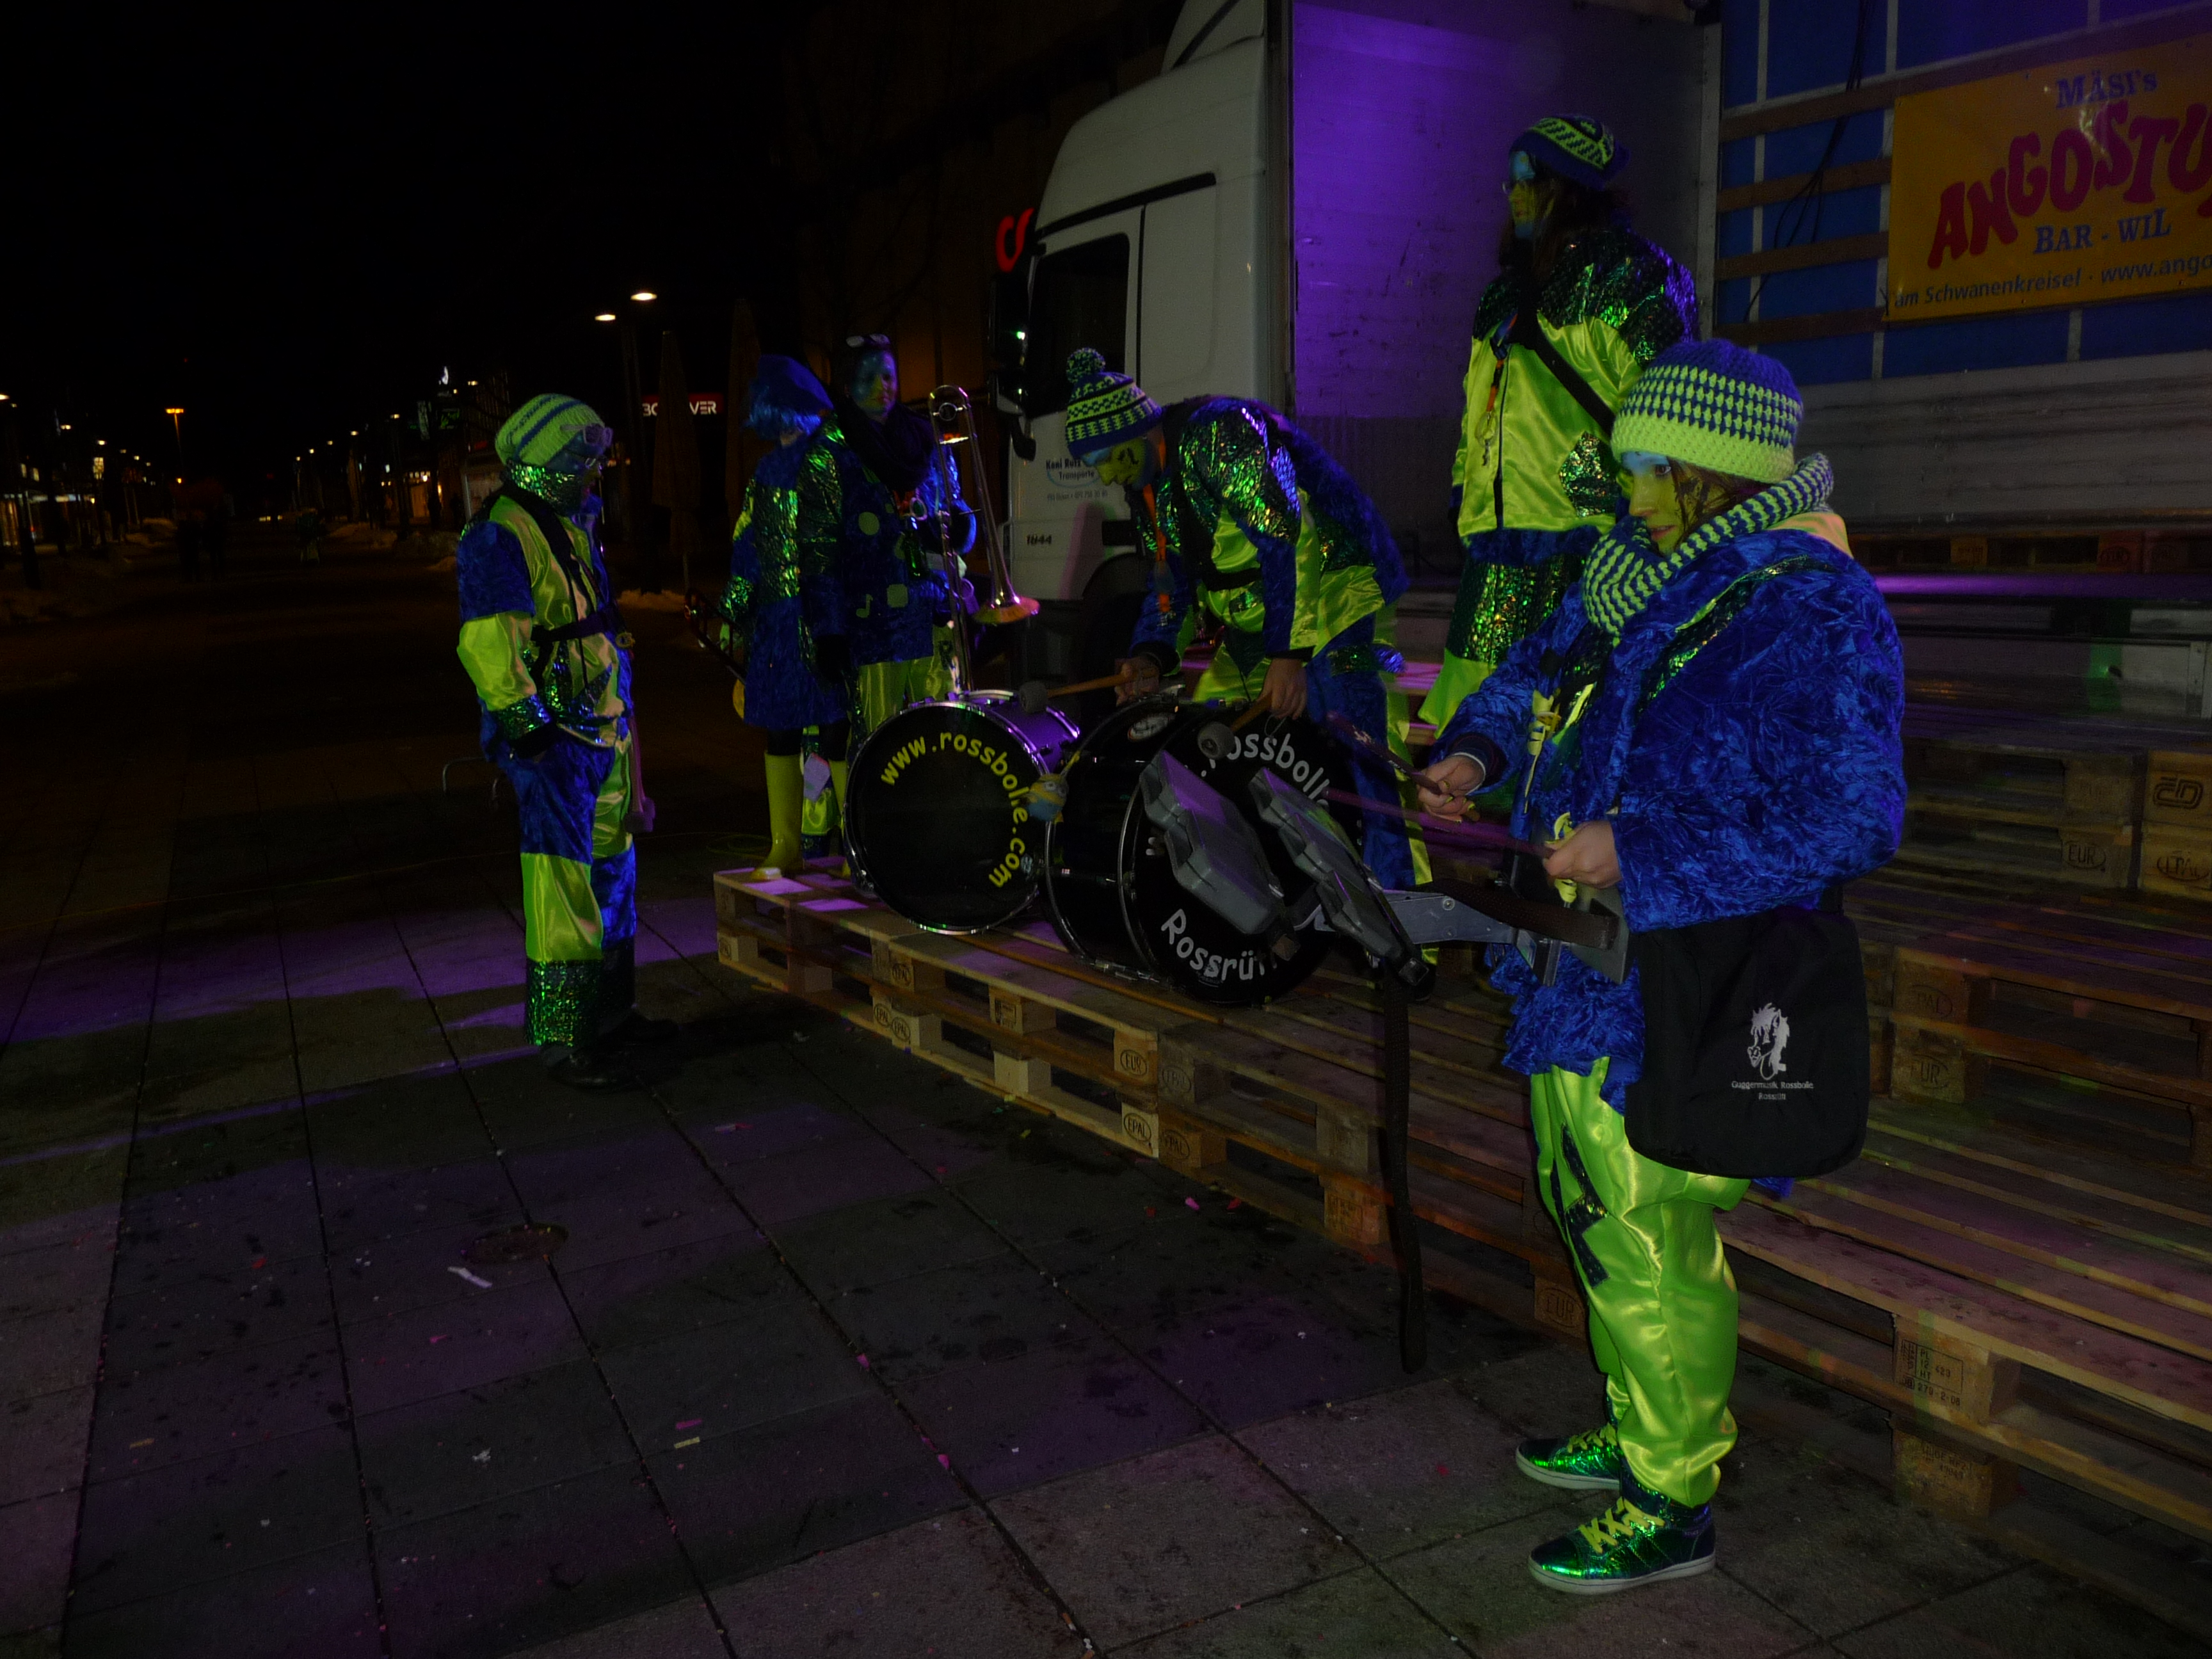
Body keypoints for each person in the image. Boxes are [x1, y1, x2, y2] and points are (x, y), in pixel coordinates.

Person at [1415, 340, 1898, 1592]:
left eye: (1647, 466)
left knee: (1645, 1227)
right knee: (1586, 1201)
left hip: (1679, 969)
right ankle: (1646, 1422)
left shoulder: (1810, 601)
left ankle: (1672, 1495)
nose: (1625, 488)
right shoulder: (1629, 571)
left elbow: (1855, 817)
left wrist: (1643, 850)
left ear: (1717, 472)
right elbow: (1536, 676)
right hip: (1578, 962)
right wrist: (1475, 755)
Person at [1061, 346, 1423, 887]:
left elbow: (1288, 540)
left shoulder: (1220, 433)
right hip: (1262, 616)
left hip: (1336, 589)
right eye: (1098, 468)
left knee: (1357, 757)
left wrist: (1288, 657)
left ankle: (1402, 908)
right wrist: (1151, 656)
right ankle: (1271, 895)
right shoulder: (1148, 490)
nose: (1112, 476)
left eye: (1114, 457)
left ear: (1139, 429)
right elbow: (1170, 587)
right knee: (1210, 746)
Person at [1422, 115, 1696, 737]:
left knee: (1571, 723)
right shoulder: (1500, 298)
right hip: (1496, 548)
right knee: (1473, 721)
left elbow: (1669, 416)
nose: (1515, 196)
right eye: (1511, 182)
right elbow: (1478, 413)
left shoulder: (1633, 277)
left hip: (1589, 543)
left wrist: (1644, 526)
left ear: (1570, 190)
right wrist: (1464, 492)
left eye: (1532, 181)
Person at [455, 394, 671, 1091]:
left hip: (602, 729)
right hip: (557, 742)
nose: (594, 475)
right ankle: (563, 1037)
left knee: (613, 878)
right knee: (561, 891)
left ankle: (611, 1015)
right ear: (548, 464)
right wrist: (532, 734)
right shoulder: (500, 535)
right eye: (583, 463)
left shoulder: (571, 525)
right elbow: (489, 644)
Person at [718, 356, 849, 876]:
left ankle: (855, 847)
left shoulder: (829, 457)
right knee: (782, 730)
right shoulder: (768, 469)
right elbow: (750, 543)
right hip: (778, 619)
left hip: (819, 613)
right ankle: (786, 844)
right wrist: (734, 606)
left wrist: (832, 621)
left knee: (836, 729)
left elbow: (834, 545)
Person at [828, 333, 974, 761]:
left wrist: (959, 526)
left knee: (947, 736)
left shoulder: (923, 435)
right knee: (881, 746)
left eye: (889, 376)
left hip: (932, 611)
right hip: (874, 626)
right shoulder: (831, 450)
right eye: (868, 378)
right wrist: (828, 630)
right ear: (847, 386)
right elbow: (820, 551)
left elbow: (954, 502)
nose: (883, 387)